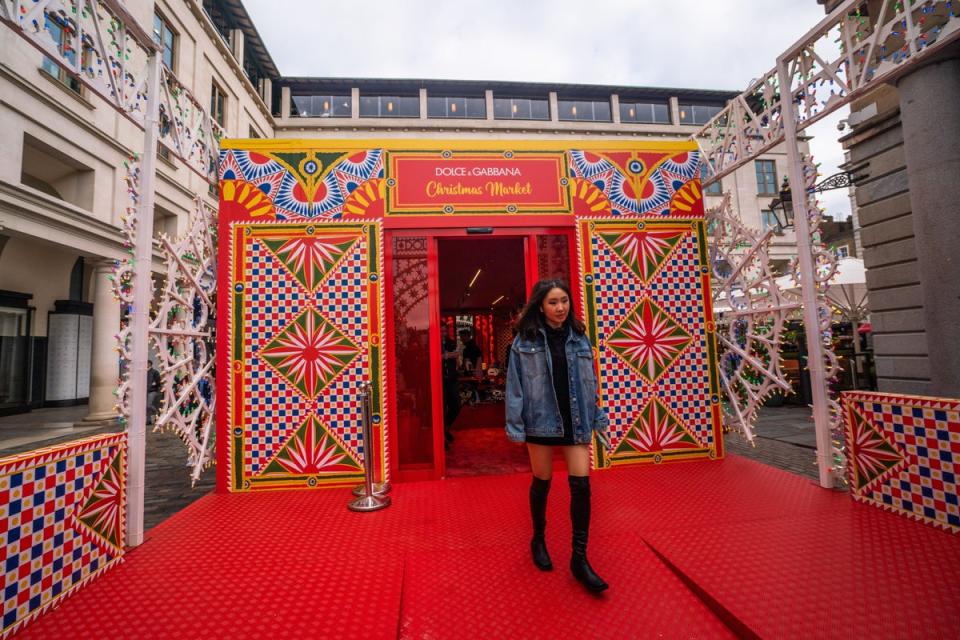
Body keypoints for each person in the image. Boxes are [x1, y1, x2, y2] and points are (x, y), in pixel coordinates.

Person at [505, 278, 611, 593]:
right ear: (540, 305)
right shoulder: (524, 342)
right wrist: (516, 425)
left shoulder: (580, 338)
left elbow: (591, 382)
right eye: (553, 302)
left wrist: (596, 416)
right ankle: (538, 538)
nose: (560, 308)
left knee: (582, 486)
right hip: (540, 423)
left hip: (576, 422)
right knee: (542, 482)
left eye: (564, 300)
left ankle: (579, 558)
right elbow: (515, 386)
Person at [146, 360, 161, 425]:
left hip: (152, 391)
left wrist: (153, 385)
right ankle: (148, 420)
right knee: (146, 407)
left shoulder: (155, 372)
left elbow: (158, 381)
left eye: (146, 363)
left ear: (150, 364)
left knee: (149, 405)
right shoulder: (144, 371)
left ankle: (157, 412)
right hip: (145, 391)